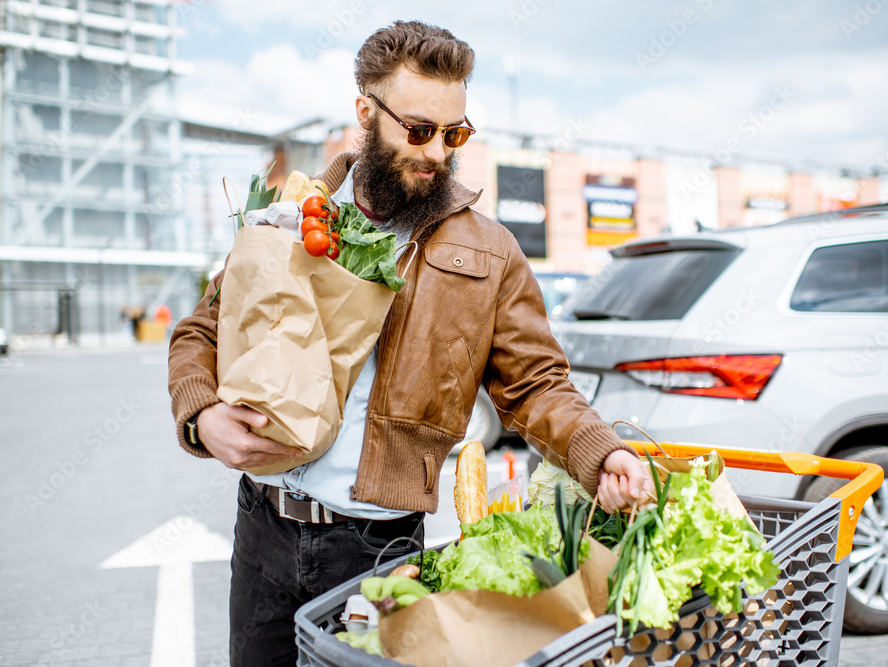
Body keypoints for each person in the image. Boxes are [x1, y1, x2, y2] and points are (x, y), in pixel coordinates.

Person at [168, 20, 654, 666]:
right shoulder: (290, 215)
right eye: (418, 130)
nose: (436, 153)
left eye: (454, 135)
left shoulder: (491, 252)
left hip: (376, 552)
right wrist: (203, 417)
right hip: (262, 528)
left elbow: (538, 385)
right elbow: (201, 332)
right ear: (366, 113)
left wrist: (601, 453)